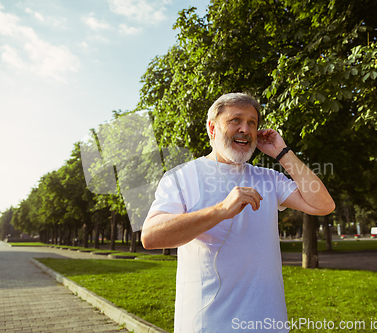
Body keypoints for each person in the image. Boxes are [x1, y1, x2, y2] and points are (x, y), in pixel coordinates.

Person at [141, 93, 335, 333]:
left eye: (252, 122)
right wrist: (221, 210)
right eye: (235, 120)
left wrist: (283, 153)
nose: (246, 129)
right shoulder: (180, 177)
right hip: (208, 326)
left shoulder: (268, 178)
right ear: (212, 128)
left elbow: (323, 205)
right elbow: (150, 237)